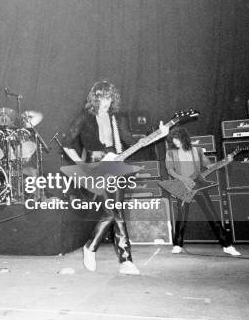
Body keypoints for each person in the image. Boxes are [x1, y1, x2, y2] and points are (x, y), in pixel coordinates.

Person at [62, 81, 169, 275]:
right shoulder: (84, 118)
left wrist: (158, 135)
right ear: (95, 98)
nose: (106, 102)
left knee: (117, 212)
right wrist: (81, 165)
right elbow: (67, 144)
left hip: (115, 162)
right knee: (111, 212)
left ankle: (126, 260)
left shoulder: (116, 119)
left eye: (109, 97)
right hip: (95, 165)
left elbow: (132, 140)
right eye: (102, 97)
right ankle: (91, 246)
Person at [165, 127, 241, 256]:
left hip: (198, 186)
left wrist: (225, 161)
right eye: (173, 140)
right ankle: (177, 245)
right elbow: (170, 170)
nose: (174, 142)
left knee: (212, 215)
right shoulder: (171, 152)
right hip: (183, 187)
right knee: (181, 218)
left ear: (183, 138)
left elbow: (209, 165)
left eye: (176, 139)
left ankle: (227, 245)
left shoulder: (197, 150)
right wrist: (184, 180)